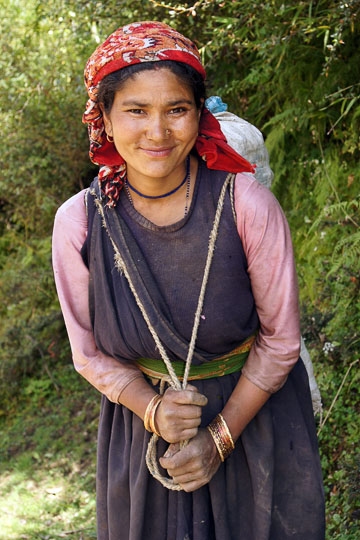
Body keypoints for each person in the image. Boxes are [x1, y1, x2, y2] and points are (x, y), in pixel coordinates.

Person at [52, 21, 325, 540]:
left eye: (176, 109)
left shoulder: (246, 205)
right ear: (105, 118)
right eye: (136, 110)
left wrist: (219, 438)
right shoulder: (81, 222)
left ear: (199, 116)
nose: (157, 132)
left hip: (258, 424)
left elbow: (281, 340)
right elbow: (88, 354)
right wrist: (153, 409)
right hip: (144, 438)